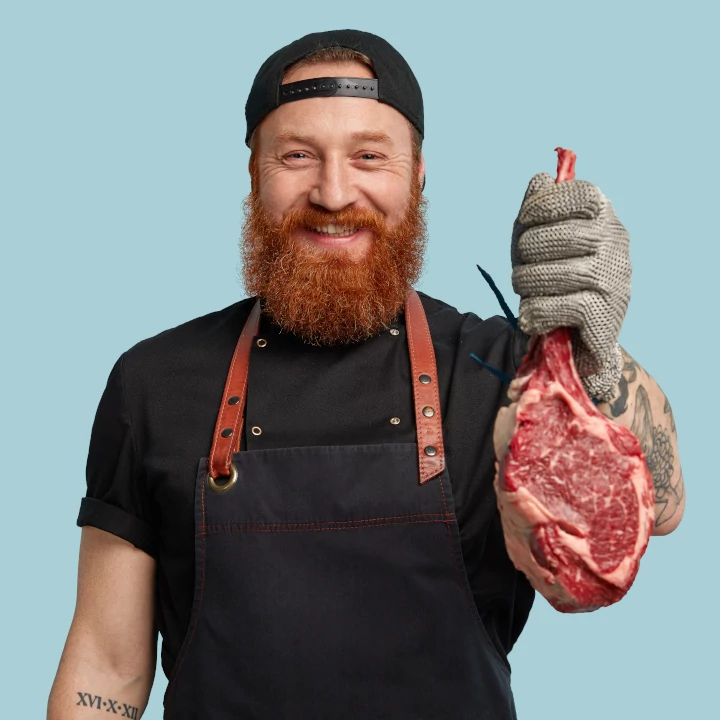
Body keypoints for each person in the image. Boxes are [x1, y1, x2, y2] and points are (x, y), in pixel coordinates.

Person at [47, 29, 685, 720]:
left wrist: (593, 357)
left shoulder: (503, 374)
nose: (333, 191)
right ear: (255, 172)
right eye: (297, 156)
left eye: (369, 156)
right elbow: (106, 667)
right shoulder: (154, 382)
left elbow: (666, 507)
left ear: (415, 174)